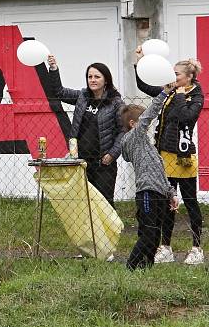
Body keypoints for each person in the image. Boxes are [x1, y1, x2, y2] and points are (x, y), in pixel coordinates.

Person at [135, 48, 205, 265]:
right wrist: (139, 63)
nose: (173, 77)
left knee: (190, 201)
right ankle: (166, 246)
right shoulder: (170, 91)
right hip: (164, 155)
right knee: (167, 203)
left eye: (177, 74)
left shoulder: (195, 96)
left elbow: (186, 118)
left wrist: (182, 95)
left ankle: (196, 248)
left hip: (183, 157)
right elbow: (143, 86)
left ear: (189, 77)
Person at [47, 55, 125, 207]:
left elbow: (123, 131)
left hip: (103, 163)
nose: (93, 80)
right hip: (81, 161)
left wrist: (112, 154)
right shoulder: (82, 96)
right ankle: (88, 231)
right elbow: (60, 92)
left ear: (106, 80)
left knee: (104, 203)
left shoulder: (116, 102)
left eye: (97, 76)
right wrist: (53, 68)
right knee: (84, 203)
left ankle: (109, 231)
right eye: (90, 76)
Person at [121, 88, 179, 270]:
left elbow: (160, 172)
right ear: (133, 124)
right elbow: (149, 115)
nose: (147, 124)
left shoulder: (149, 147)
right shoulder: (132, 138)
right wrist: (164, 94)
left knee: (155, 236)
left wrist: (171, 193)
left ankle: (146, 269)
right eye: (143, 122)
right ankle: (130, 268)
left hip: (161, 193)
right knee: (148, 234)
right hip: (147, 192)